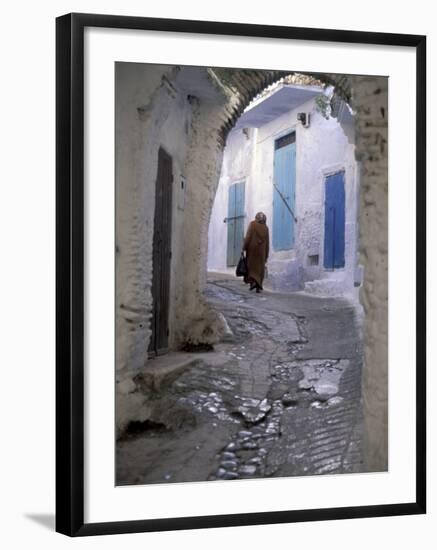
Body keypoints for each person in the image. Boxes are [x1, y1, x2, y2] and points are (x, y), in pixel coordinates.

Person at [242, 211, 269, 293]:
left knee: (251, 268)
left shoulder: (252, 224)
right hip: (262, 252)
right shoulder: (266, 228)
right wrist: (266, 254)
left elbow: (248, 236)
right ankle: (258, 286)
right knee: (259, 269)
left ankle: (253, 282)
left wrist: (244, 247)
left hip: (252, 251)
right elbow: (267, 243)